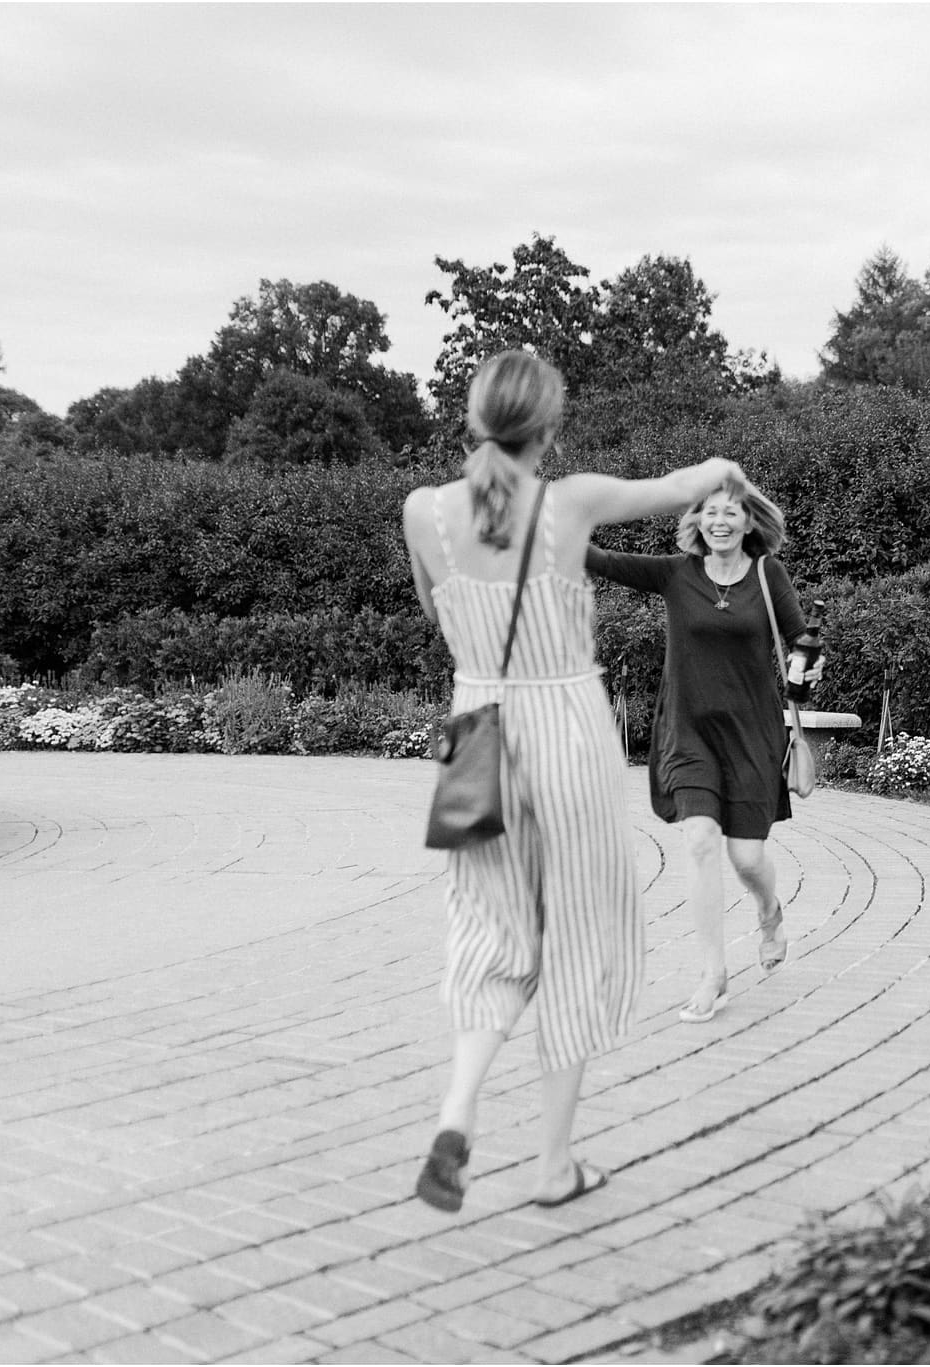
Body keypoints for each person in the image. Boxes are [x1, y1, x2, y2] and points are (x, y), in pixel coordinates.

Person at [401, 349, 744, 1212]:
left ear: (474, 419)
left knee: (488, 925)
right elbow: (677, 486)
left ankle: (457, 1106)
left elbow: (434, 611)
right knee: (580, 945)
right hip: (566, 734)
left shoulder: (423, 513)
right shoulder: (571, 503)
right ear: (547, 429)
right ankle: (553, 1166)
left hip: (475, 732)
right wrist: (724, 469)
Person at [583, 478, 813, 1025]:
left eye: (732, 512)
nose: (721, 521)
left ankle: (768, 910)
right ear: (697, 520)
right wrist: (549, 517)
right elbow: (597, 557)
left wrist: (809, 662)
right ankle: (713, 973)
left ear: (749, 521)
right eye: (711, 512)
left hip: (752, 733)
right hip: (688, 734)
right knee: (702, 840)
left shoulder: (766, 573)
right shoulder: (676, 573)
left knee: (747, 858)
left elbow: (801, 640)